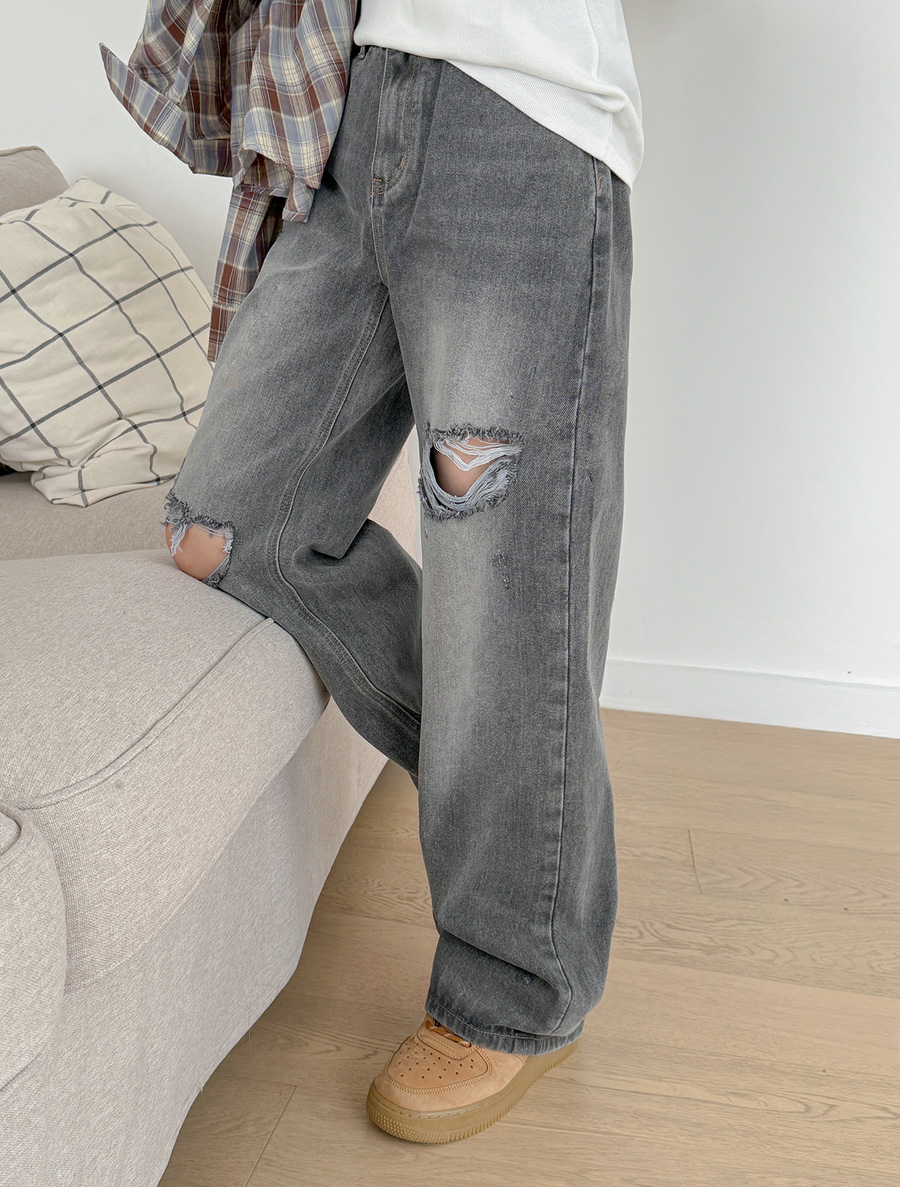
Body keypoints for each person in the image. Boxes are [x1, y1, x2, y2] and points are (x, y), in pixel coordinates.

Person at [121, 0, 642, 1144]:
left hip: (520, 115)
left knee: (503, 583)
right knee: (229, 525)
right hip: (353, 111)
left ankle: (516, 984)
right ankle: (536, 818)